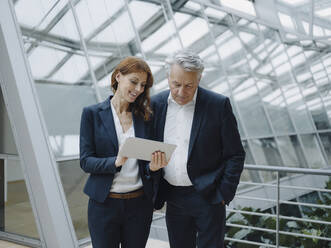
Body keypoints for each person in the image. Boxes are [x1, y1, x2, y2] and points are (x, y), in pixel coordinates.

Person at [151, 50, 246, 248]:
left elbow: (235, 154)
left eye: (189, 85)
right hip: (172, 197)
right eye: (176, 84)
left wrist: (223, 194)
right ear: (168, 77)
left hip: (208, 197)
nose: (181, 92)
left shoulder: (218, 105)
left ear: (199, 79)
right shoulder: (155, 104)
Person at [80, 56, 166, 248]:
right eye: (134, 82)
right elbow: (85, 161)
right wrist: (115, 161)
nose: (138, 89)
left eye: (143, 85)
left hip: (139, 205)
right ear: (118, 76)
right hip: (104, 205)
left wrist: (153, 167)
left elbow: (148, 166)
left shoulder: (145, 117)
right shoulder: (92, 114)